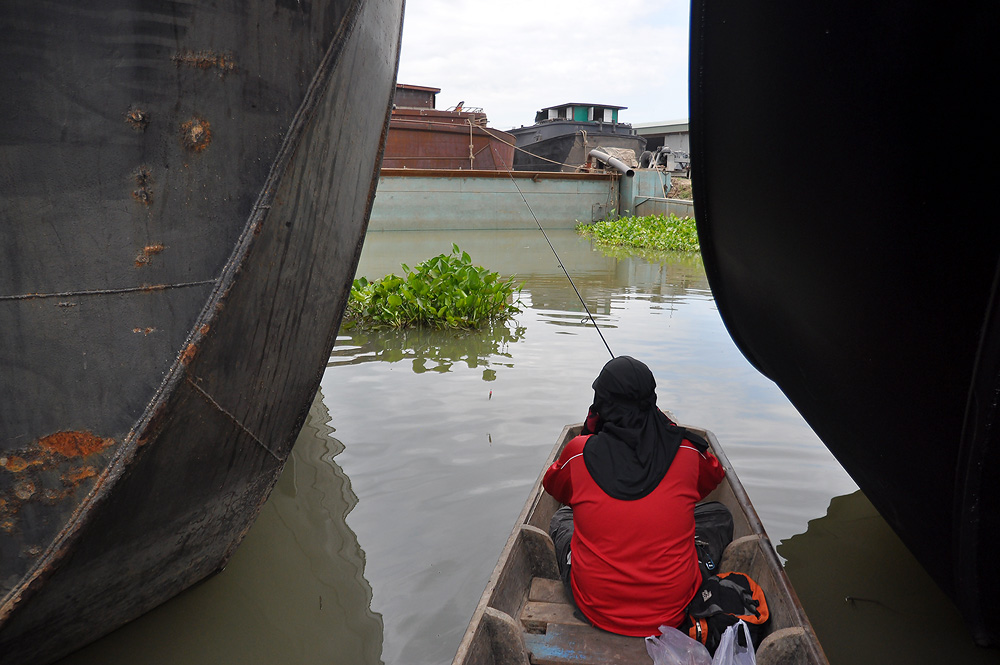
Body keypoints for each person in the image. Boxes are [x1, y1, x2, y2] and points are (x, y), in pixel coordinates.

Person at [543, 355, 725, 637]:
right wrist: (666, 428)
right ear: (652, 402)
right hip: (674, 609)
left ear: (600, 405)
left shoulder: (578, 452)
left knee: (562, 518)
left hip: (596, 607)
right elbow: (713, 477)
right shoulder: (688, 450)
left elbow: (554, 488)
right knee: (719, 515)